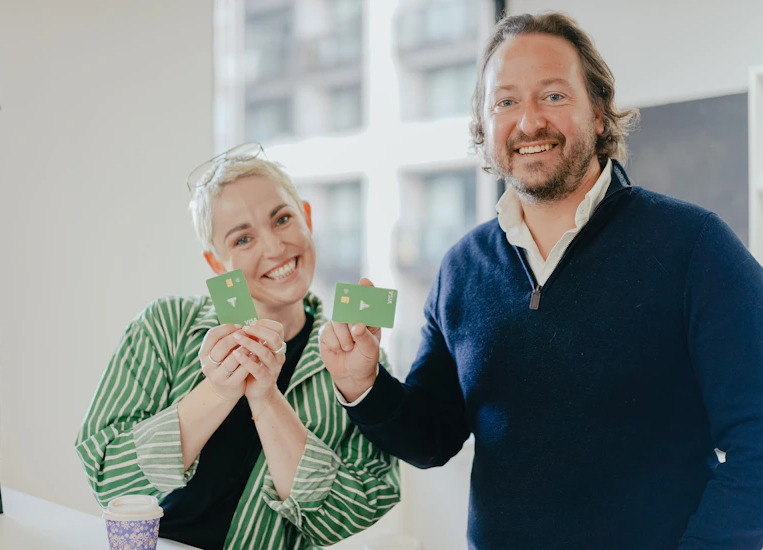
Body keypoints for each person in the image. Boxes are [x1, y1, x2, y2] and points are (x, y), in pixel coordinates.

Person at [319, 12, 763, 550]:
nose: (528, 122)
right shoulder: (461, 268)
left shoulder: (695, 246)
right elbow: (432, 438)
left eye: (552, 95)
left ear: (598, 113)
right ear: (485, 128)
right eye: (505, 102)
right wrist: (363, 384)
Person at [75, 148, 400, 550]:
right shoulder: (165, 326)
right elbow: (108, 479)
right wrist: (218, 391)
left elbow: (359, 510)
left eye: (282, 219)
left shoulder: (356, 359)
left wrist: (266, 399)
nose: (274, 247)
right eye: (243, 238)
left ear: (307, 219)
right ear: (217, 262)